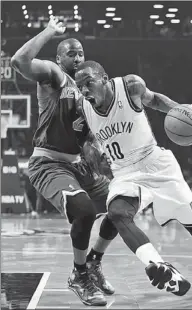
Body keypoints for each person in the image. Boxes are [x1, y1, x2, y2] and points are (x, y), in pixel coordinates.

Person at [75, 60, 192, 296]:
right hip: (125, 172)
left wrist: (184, 111)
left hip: (157, 164)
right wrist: (90, 153)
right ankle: (159, 265)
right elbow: (90, 138)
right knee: (117, 212)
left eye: (88, 83)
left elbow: (154, 100)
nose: (84, 90)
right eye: (79, 86)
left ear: (104, 79)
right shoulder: (83, 106)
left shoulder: (130, 86)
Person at [11, 17, 118, 307]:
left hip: (77, 164)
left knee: (121, 205)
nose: (78, 57)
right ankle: (79, 275)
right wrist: (50, 31)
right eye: (71, 53)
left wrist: (97, 153)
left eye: (81, 53)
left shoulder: (89, 95)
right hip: (48, 163)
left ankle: (94, 261)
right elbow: (20, 60)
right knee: (83, 211)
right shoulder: (56, 76)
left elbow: (88, 137)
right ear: (60, 58)